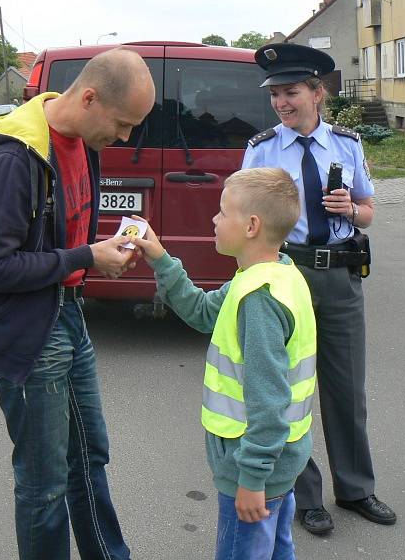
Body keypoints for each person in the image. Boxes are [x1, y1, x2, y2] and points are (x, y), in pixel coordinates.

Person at [0, 48, 155, 560]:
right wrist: (84, 255)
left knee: (90, 456)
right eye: (121, 124)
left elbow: (61, 241)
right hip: (29, 331)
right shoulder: (13, 156)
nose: (124, 138)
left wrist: (97, 258)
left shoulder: (79, 142)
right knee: (44, 482)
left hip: (66, 311)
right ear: (89, 97)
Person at [242, 43, 396, 536]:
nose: (281, 103)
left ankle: (355, 489)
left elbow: (370, 210)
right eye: (275, 95)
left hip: (340, 277)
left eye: (291, 92)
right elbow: (242, 217)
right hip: (287, 275)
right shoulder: (261, 149)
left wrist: (351, 209)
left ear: (317, 92)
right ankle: (305, 494)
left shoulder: (348, 144)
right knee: (292, 388)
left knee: (347, 388)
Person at [131, 167, 316, 560]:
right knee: (278, 549)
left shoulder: (259, 299)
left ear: (251, 225)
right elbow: (201, 311)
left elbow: (270, 400)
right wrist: (162, 259)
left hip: (254, 470)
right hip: (279, 465)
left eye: (221, 212)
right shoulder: (274, 274)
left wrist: (251, 479)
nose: (213, 220)